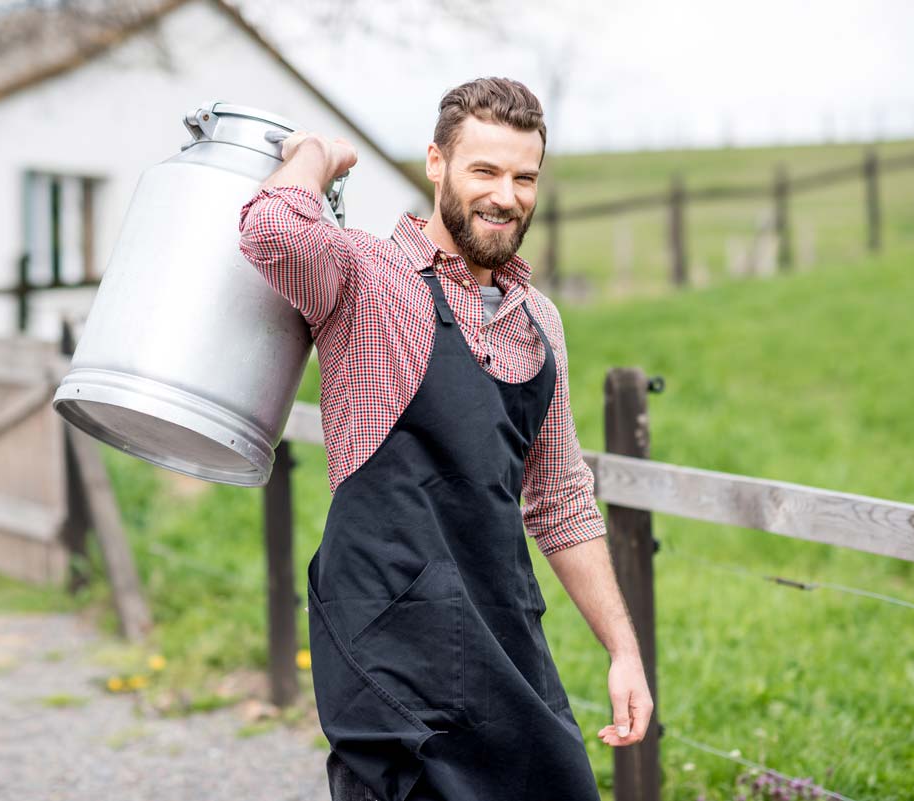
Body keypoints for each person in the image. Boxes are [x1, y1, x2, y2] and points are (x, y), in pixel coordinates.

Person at [238, 77, 653, 801]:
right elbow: (269, 230)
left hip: (501, 633)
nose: (507, 195)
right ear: (436, 163)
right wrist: (314, 155)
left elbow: (560, 500)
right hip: (388, 641)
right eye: (484, 170)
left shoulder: (539, 321)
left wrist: (623, 649)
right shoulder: (366, 276)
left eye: (525, 177)